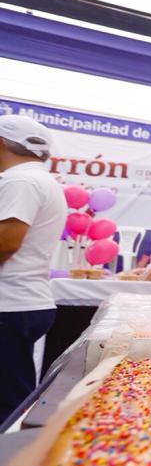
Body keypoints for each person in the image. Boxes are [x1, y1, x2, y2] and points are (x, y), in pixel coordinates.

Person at [0, 114, 62, 422]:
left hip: (9, 304)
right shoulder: (38, 179)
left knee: (8, 400)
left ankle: (11, 463)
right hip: (22, 301)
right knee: (12, 391)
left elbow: (8, 241)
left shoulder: (20, 180)